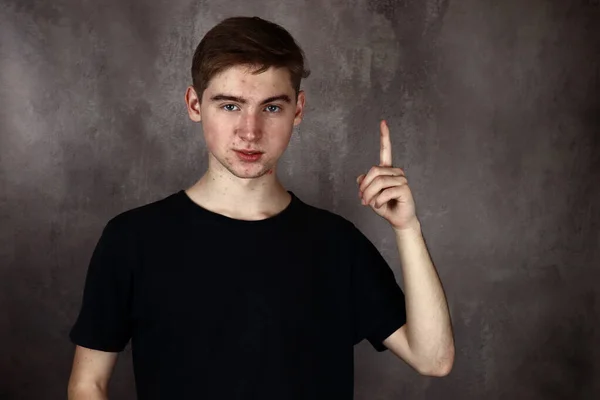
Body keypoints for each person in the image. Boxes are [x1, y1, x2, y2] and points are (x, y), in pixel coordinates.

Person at [67, 16, 454, 400]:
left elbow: (433, 359)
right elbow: (89, 384)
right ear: (194, 104)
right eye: (230, 105)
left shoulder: (337, 244)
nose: (249, 131)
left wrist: (407, 228)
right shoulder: (133, 239)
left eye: (271, 108)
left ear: (297, 110)